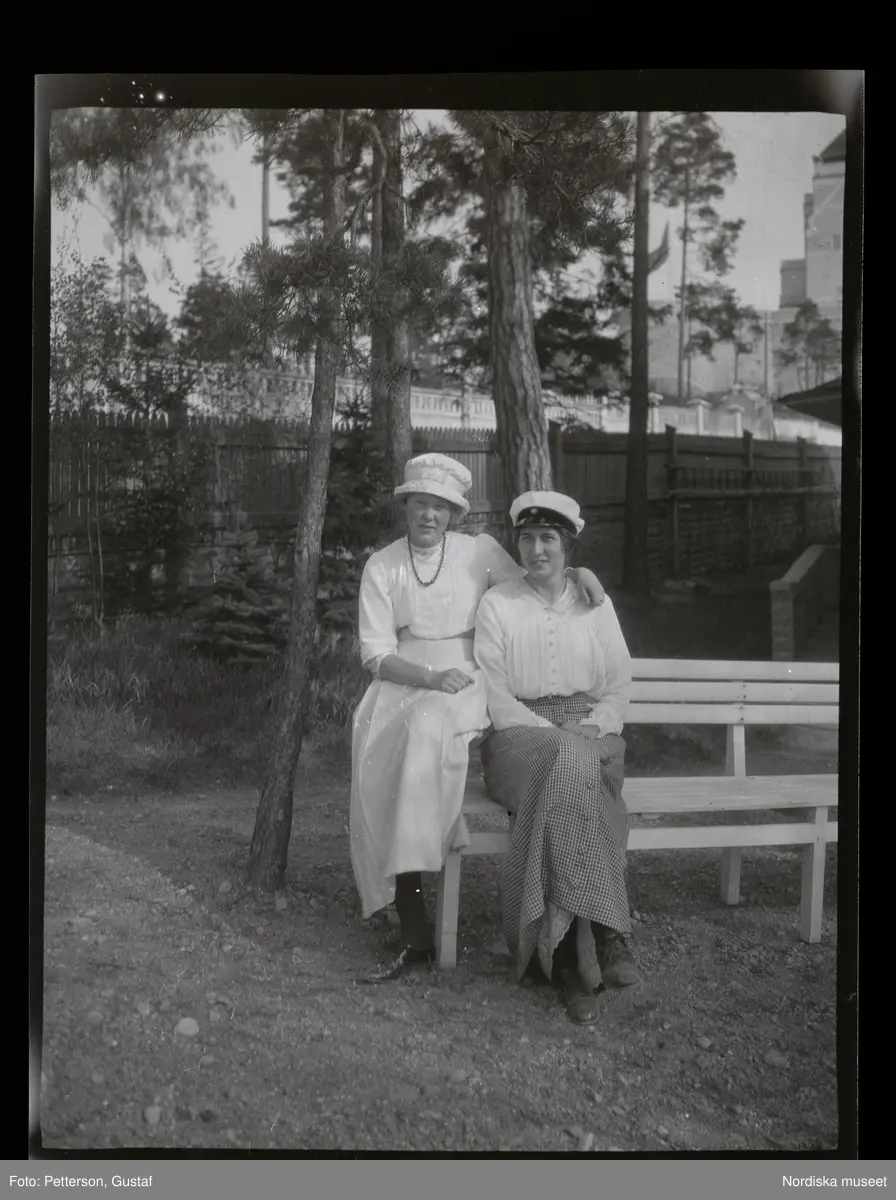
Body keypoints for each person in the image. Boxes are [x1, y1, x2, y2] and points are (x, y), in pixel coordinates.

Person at [350, 455, 607, 984]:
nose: (429, 516)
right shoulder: (383, 565)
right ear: (406, 506)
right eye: (420, 504)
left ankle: (422, 904)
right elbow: (375, 653)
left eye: (440, 507)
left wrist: (579, 572)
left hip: (466, 676)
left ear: (454, 514)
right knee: (376, 759)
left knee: (427, 735)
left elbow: (535, 581)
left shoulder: (478, 552)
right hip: (403, 679)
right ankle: (406, 905)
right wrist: (426, 677)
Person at [473, 490, 643, 1025]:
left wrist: (592, 725)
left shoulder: (596, 605)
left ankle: (566, 963)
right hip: (518, 737)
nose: (536, 550)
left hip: (592, 731)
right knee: (569, 761)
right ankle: (610, 933)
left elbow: (618, 685)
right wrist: (556, 734)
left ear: (568, 546)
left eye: (548, 538)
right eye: (526, 538)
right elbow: (495, 694)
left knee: (570, 770)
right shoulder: (498, 604)